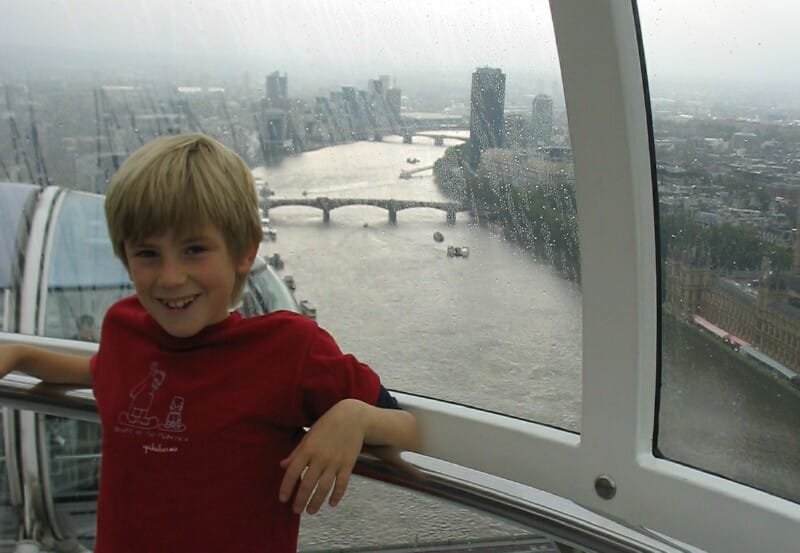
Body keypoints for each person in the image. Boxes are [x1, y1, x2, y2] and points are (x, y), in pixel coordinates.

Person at [0, 133, 420, 552]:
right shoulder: (124, 329)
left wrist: (353, 417)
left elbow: (406, 429)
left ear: (244, 253)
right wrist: (19, 355)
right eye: (148, 254)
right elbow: (100, 373)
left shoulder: (287, 350)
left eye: (194, 250)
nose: (170, 278)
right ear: (125, 257)